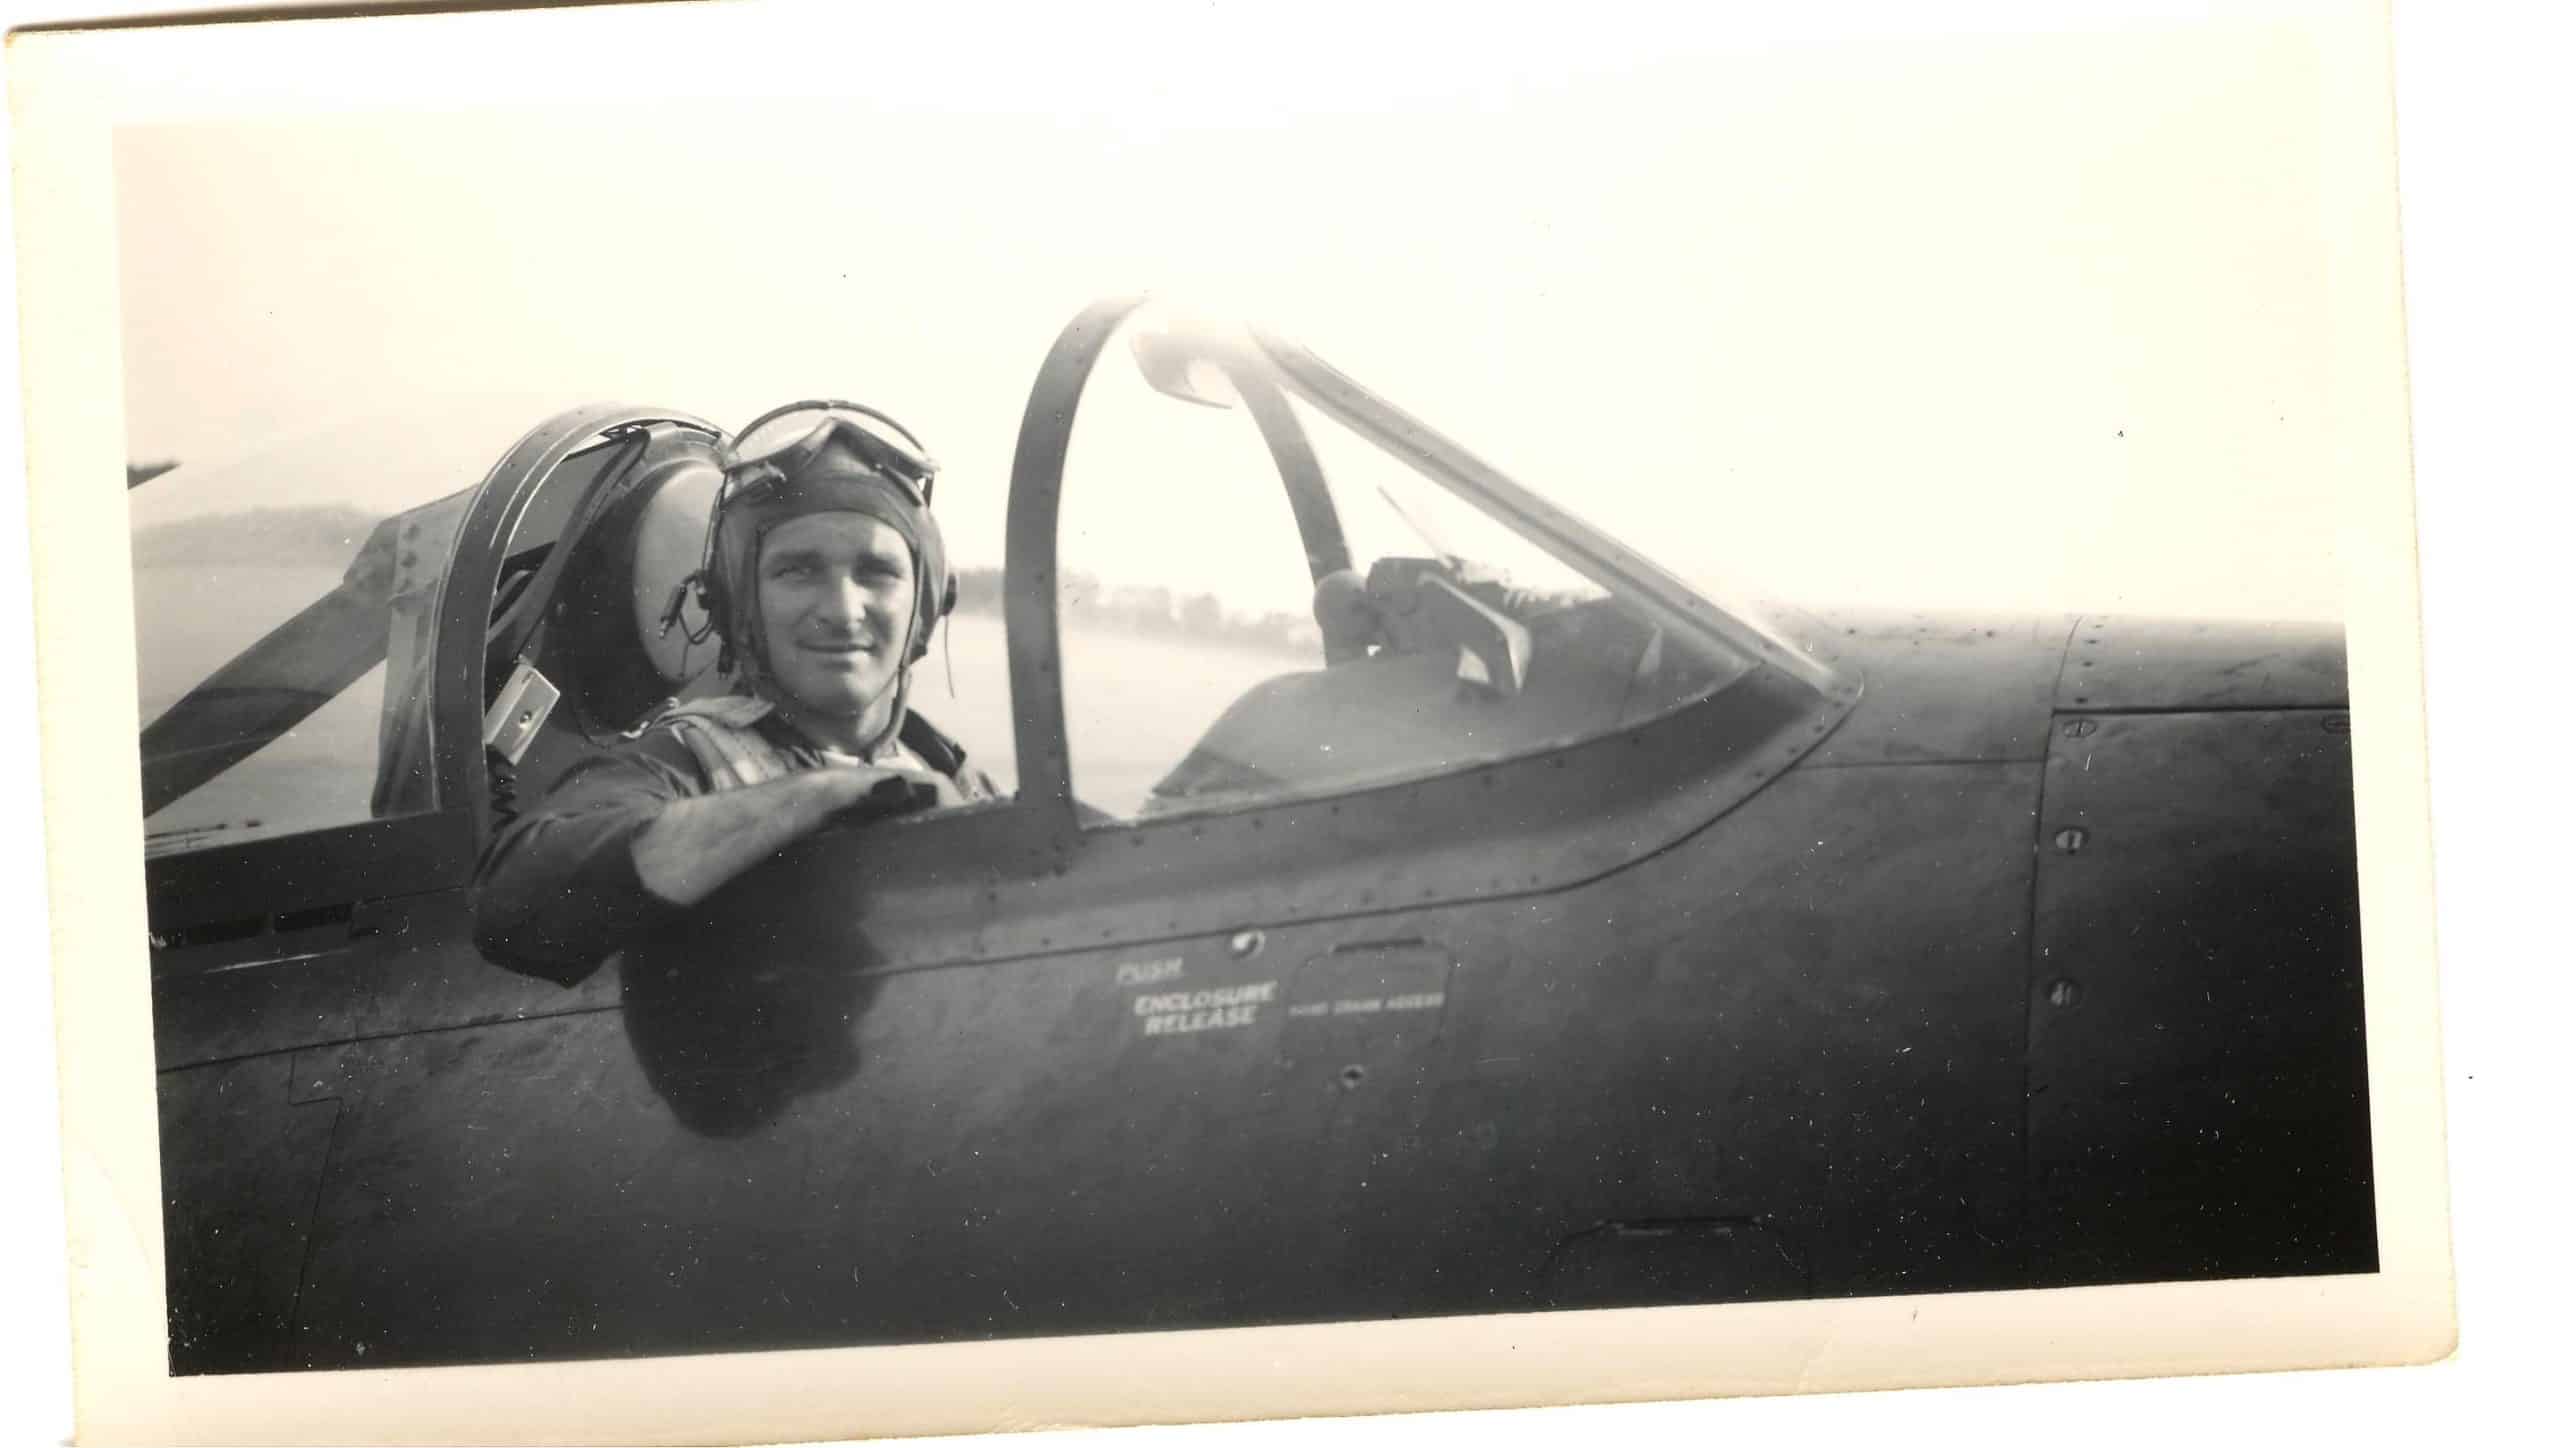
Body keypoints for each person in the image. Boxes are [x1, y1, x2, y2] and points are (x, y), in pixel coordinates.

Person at [473, 401, 998, 987]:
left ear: (926, 602)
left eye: (877, 571)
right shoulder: (684, 761)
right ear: (736, 602)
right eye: (797, 570)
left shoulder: (946, 769)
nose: (843, 611)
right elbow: (515, 904)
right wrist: (821, 795)